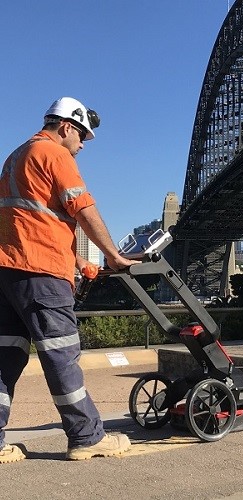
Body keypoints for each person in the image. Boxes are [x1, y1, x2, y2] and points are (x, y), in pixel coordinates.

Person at [0, 97, 140, 463]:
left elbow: (30, 220)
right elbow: (83, 207)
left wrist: (78, 259)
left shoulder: (15, 156)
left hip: (8, 272)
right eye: (82, 139)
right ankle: (87, 437)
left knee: (5, 359)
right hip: (42, 274)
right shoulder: (55, 154)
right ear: (66, 127)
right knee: (62, 355)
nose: (81, 149)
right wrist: (113, 255)